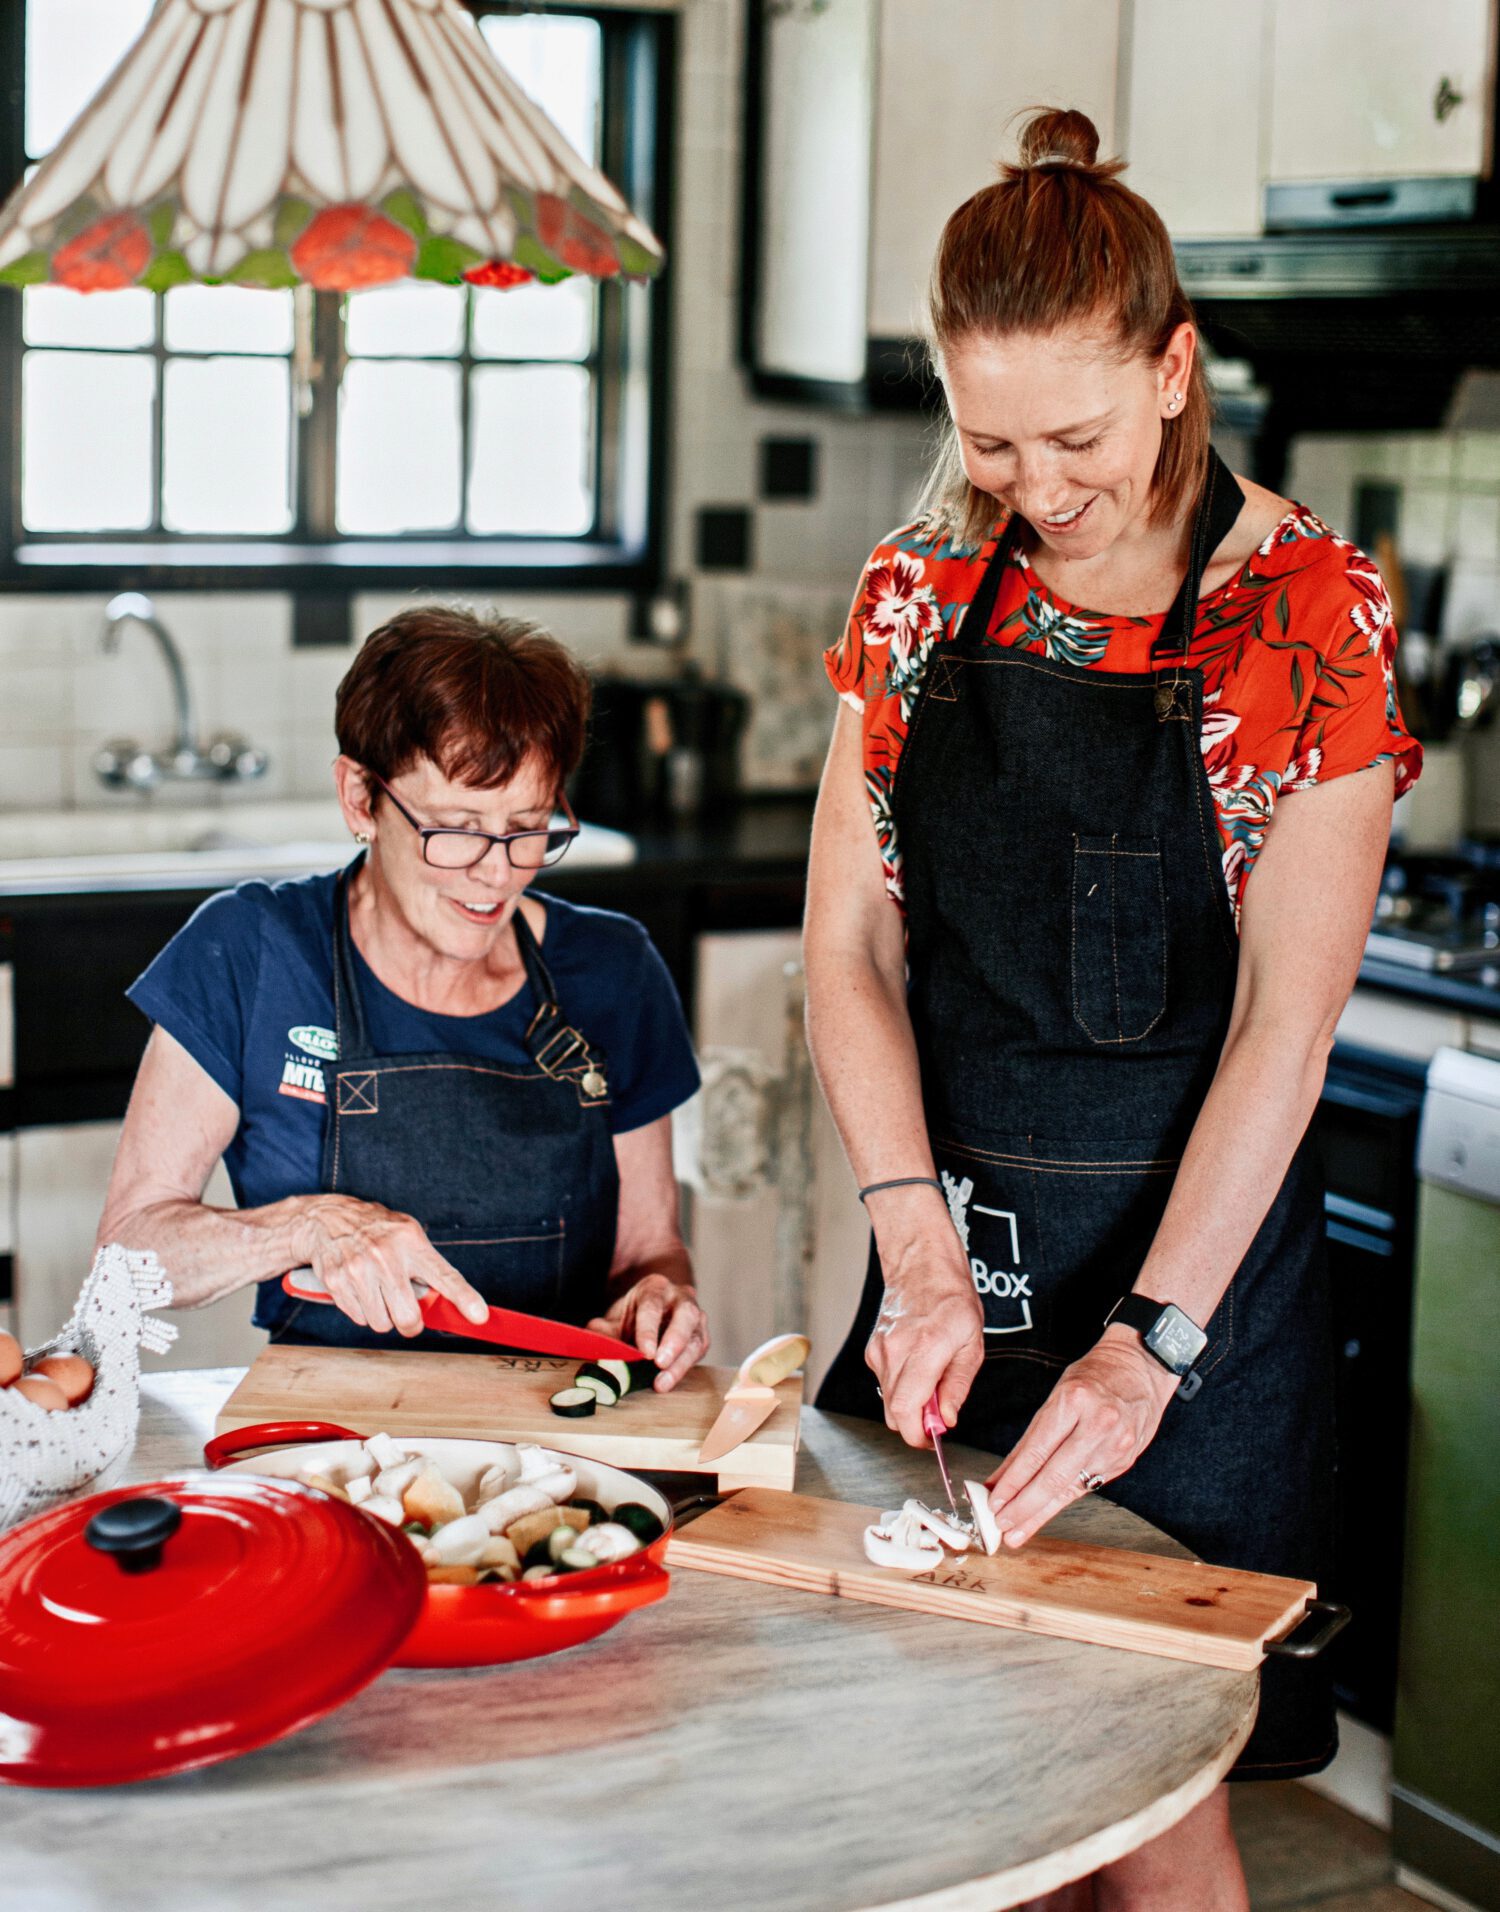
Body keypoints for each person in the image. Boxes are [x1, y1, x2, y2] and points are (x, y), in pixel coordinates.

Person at [804, 108, 1420, 1909]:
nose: (1036, 486)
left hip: (1198, 1302)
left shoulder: (1306, 617)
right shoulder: (920, 592)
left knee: (1148, 1794)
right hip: (965, 1265)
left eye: (1073, 438)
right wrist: (912, 1241)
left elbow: (1285, 1028)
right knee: (960, 1771)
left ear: (1173, 371)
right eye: (989, 441)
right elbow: (846, 950)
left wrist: (1149, 1342)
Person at [99, 607, 709, 1386]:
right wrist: (307, 1225)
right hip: (329, 1427)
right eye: (457, 829)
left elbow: (649, 1252)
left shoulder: (612, 971)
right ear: (361, 798)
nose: (497, 873)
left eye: (528, 827)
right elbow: (129, 1255)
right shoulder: (251, 954)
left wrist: (660, 1299)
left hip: (562, 1429)